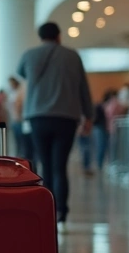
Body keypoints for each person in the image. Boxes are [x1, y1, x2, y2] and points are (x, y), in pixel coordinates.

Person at [16, 22, 93, 233]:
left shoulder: (30, 55)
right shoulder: (72, 56)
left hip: (38, 116)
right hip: (66, 117)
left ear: (40, 36)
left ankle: (45, 211)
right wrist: (89, 116)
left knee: (44, 164)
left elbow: (20, 73)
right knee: (60, 167)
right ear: (59, 36)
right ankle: (62, 215)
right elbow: (83, 88)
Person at [5, 77, 32, 162]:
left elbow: (19, 106)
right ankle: (19, 159)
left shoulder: (20, 91)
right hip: (15, 120)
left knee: (23, 143)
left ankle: (22, 160)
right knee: (17, 143)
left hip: (21, 121)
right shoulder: (12, 93)